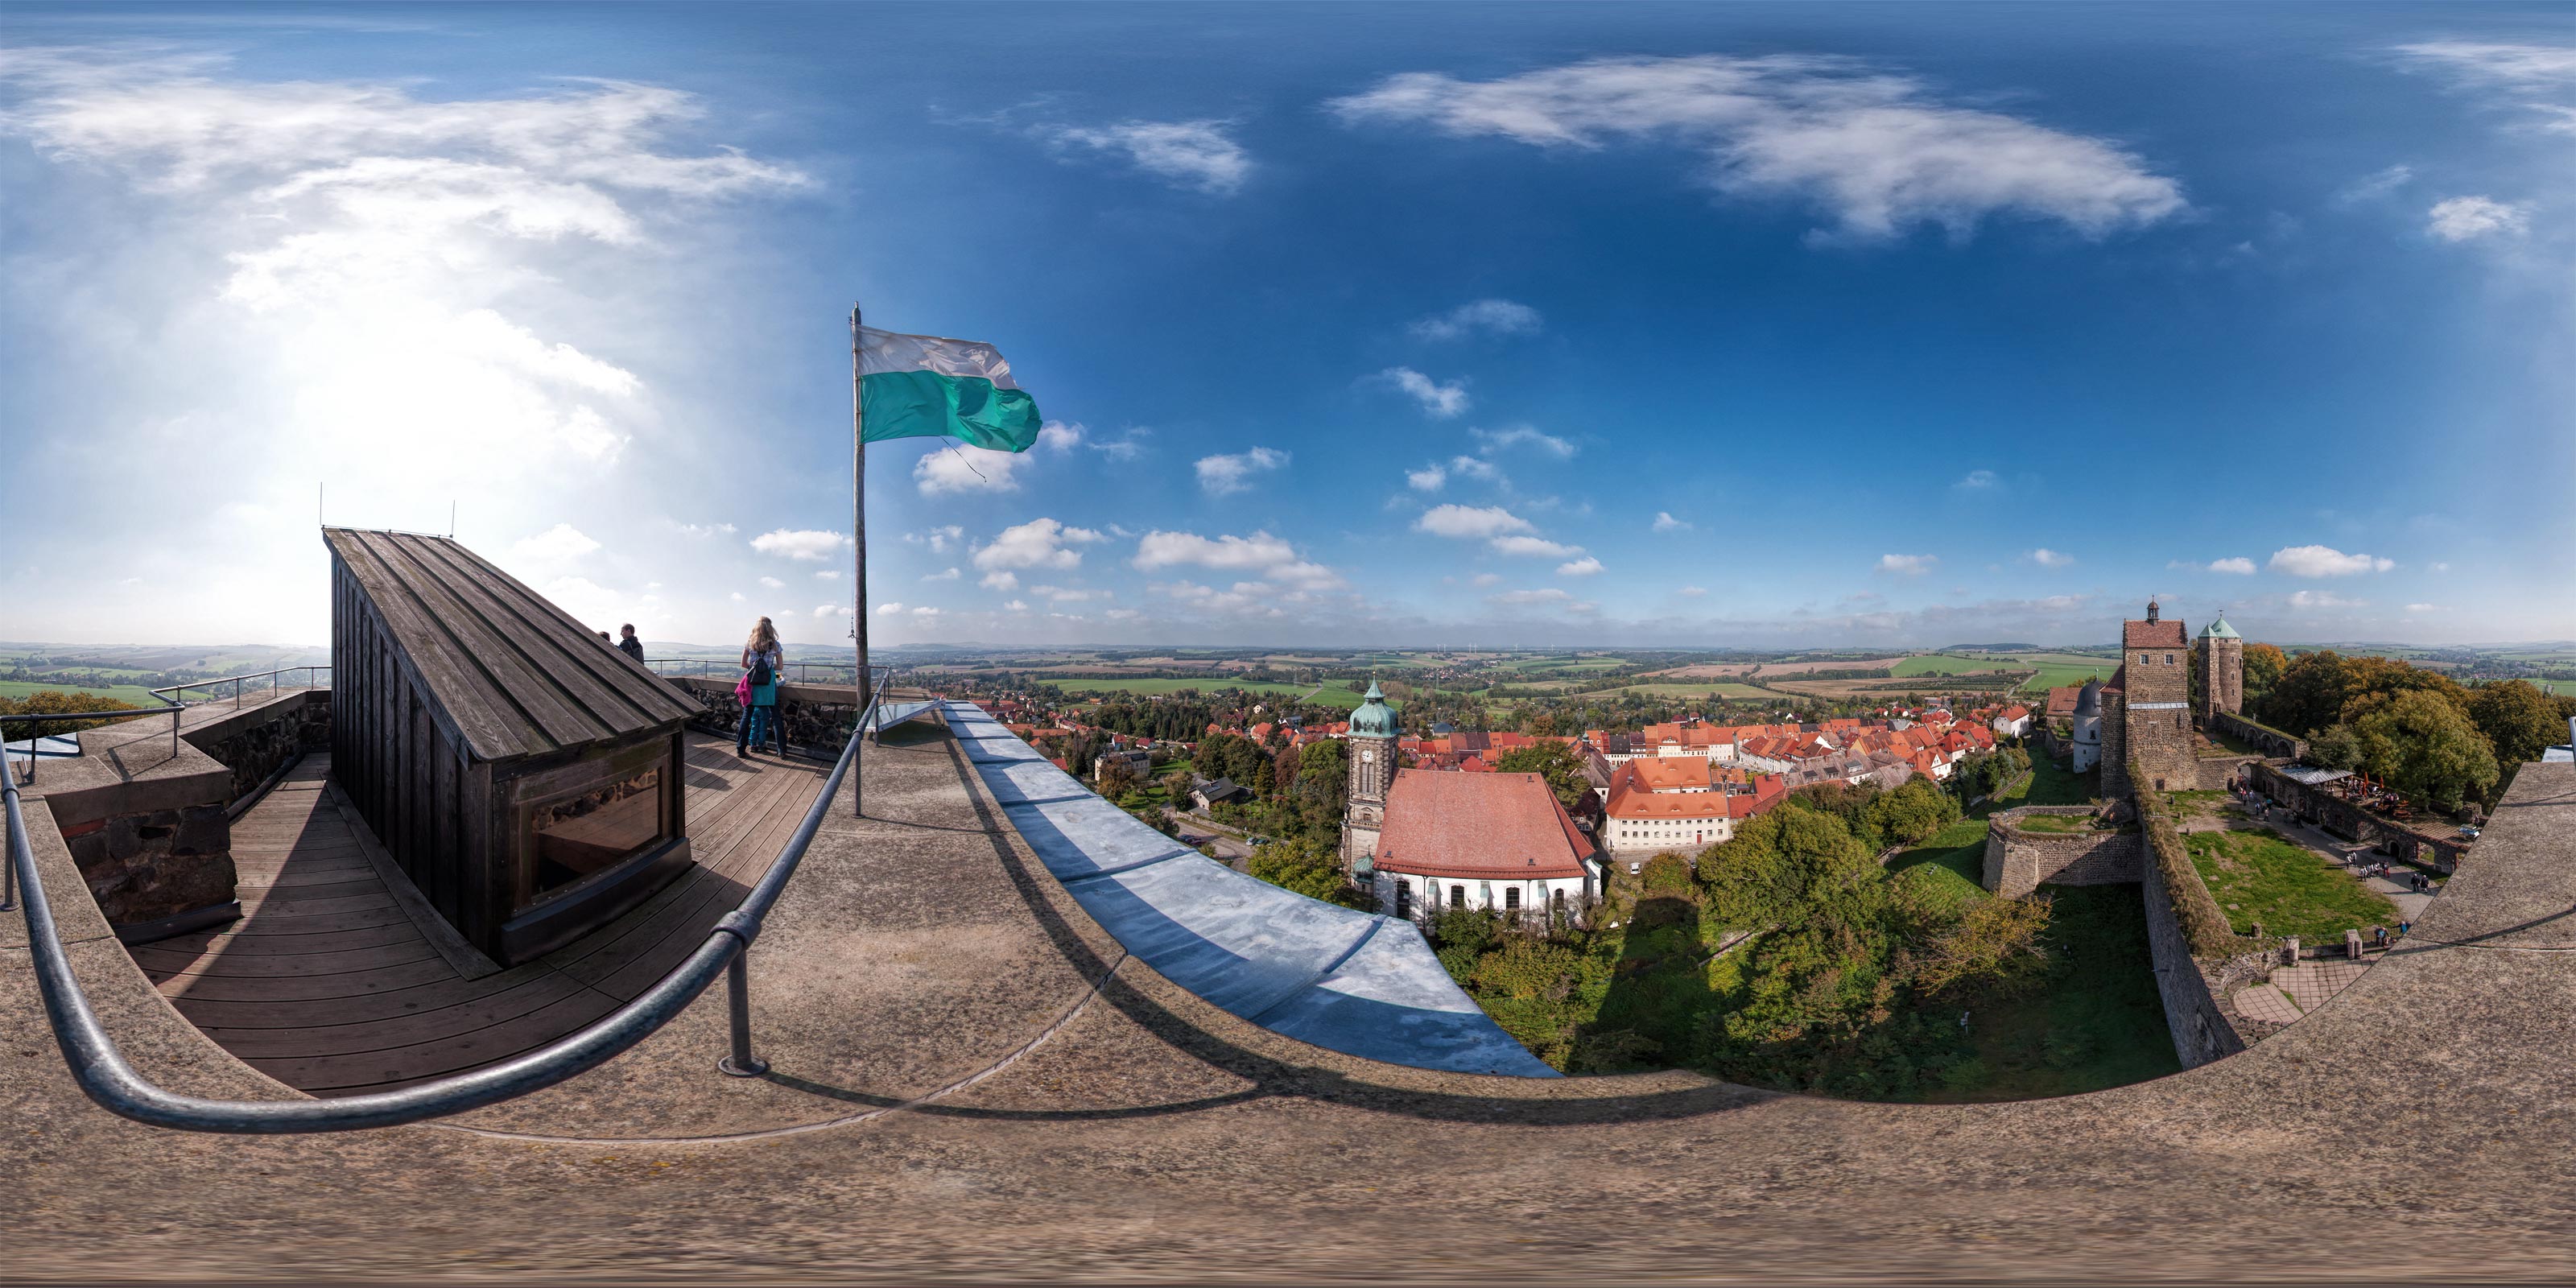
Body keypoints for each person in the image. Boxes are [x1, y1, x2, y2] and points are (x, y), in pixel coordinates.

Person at [737, 617, 785, 757]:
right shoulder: (776, 645)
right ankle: (781, 750)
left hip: (753, 685)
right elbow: (780, 667)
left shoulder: (749, 644)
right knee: (776, 717)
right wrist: (768, 667)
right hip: (769, 684)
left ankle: (741, 749)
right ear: (770, 629)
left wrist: (756, 667)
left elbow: (743, 664)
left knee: (747, 717)